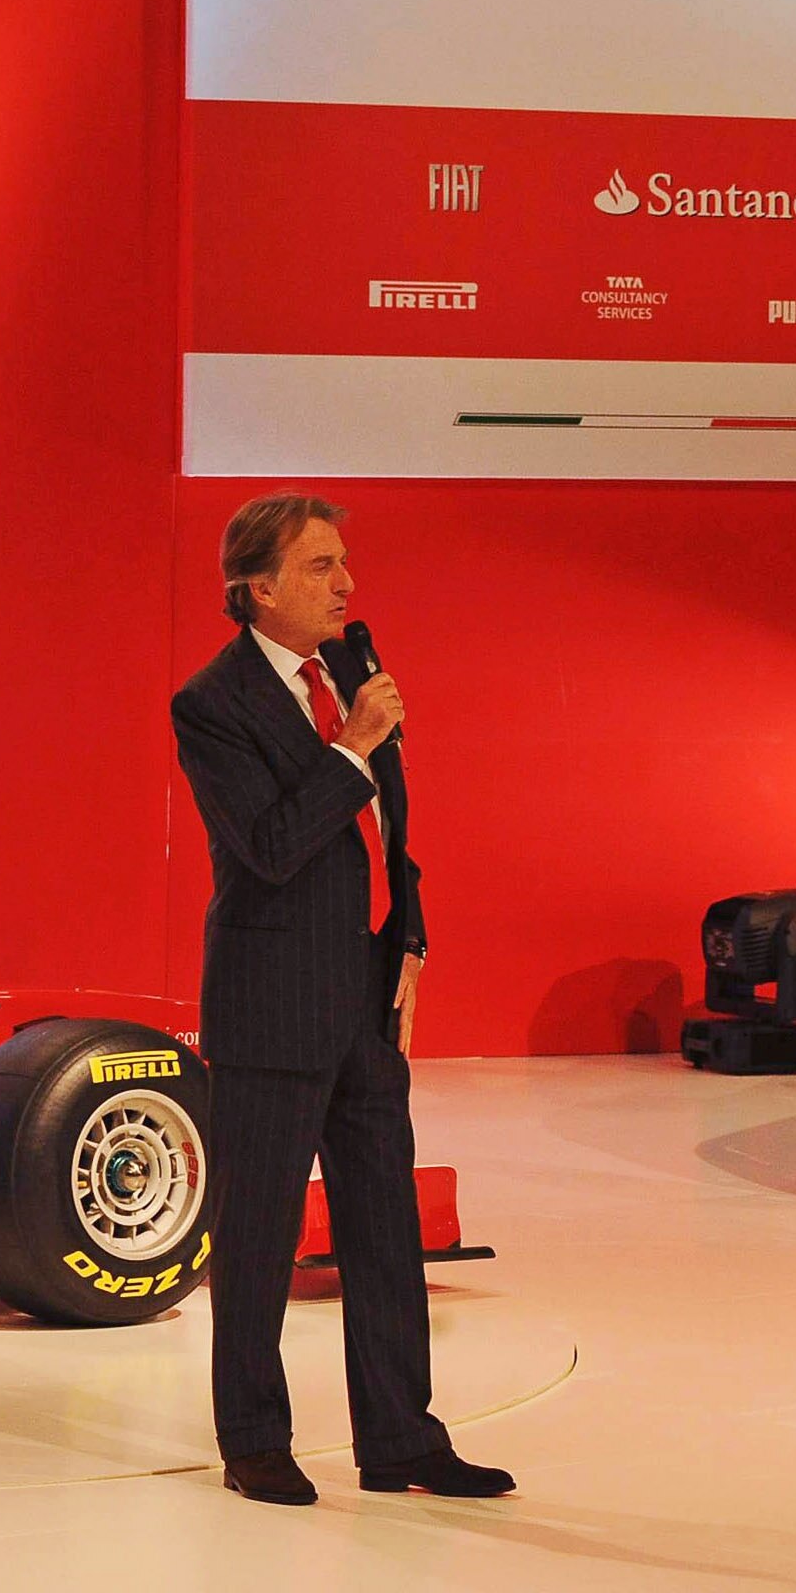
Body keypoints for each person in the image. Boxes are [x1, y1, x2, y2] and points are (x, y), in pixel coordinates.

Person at [169, 492, 514, 1507]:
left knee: (382, 1228)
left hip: (363, 998)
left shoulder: (348, 675)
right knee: (260, 1235)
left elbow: (389, 831)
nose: (346, 583)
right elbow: (270, 848)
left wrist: (408, 934)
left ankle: (402, 1435)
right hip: (272, 1005)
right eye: (321, 566)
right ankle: (255, 1438)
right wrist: (353, 747)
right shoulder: (214, 702)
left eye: (344, 562)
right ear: (259, 587)